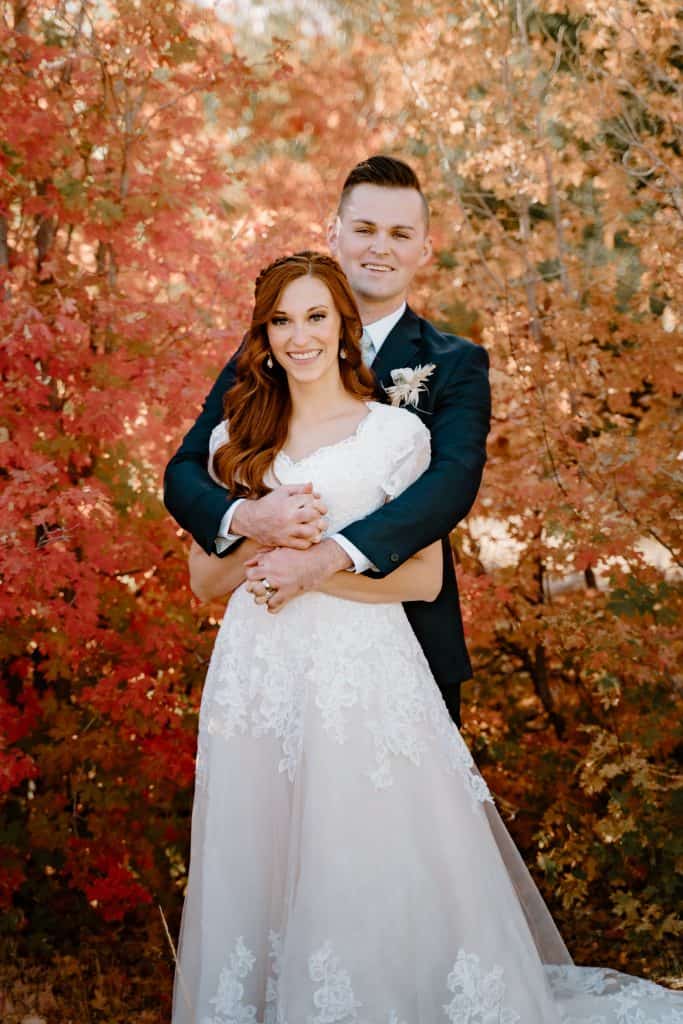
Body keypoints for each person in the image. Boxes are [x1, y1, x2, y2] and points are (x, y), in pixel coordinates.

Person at [170, 251, 682, 1023]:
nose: (298, 336)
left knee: (363, 858)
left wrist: (311, 567)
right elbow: (205, 584)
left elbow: (421, 582)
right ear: (262, 332)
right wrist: (259, 530)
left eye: (315, 316)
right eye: (281, 319)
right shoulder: (234, 439)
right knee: (256, 859)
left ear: (344, 324)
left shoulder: (395, 437)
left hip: (360, 676)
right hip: (255, 682)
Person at [164, 155, 492, 729]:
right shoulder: (268, 351)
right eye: (364, 229)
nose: (379, 248)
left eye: (399, 234)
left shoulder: (454, 363)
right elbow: (186, 469)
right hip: (275, 641)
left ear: (424, 249)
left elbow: (451, 483)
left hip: (407, 632)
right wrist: (247, 518)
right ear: (333, 233)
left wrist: (328, 557)